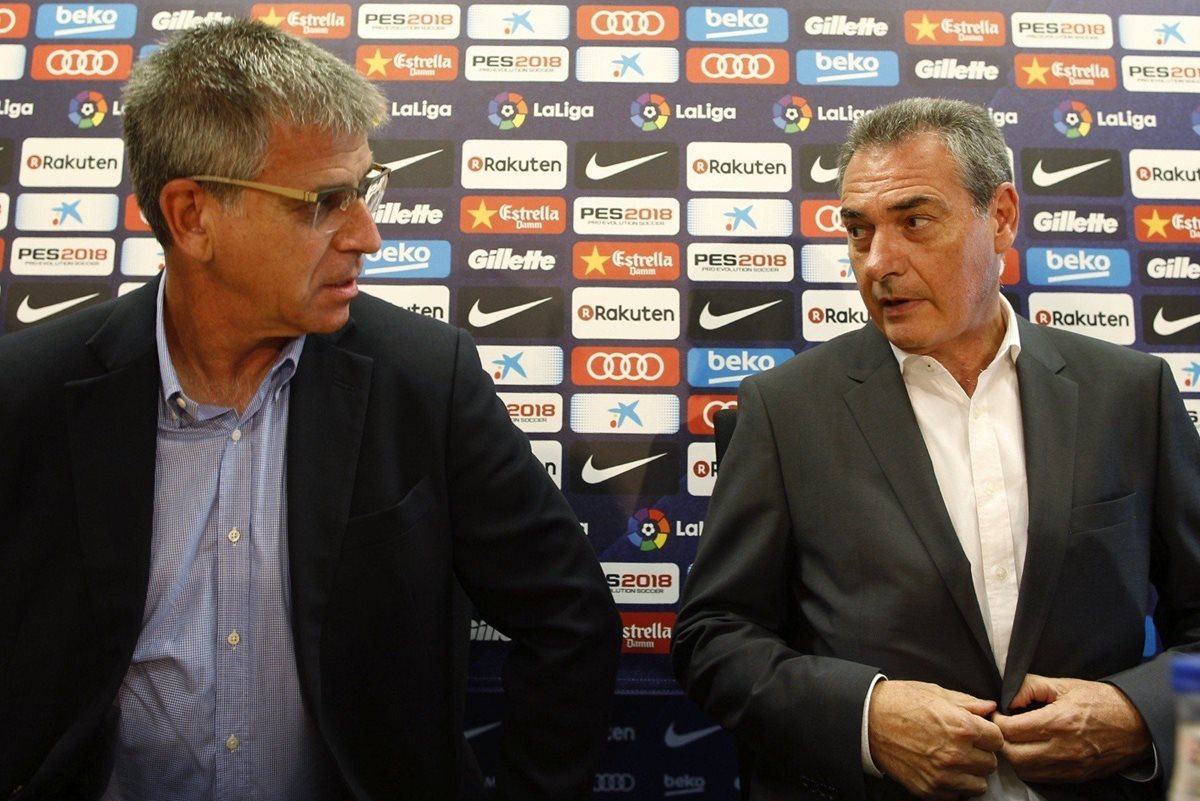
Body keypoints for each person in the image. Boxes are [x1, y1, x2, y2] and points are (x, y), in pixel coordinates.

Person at [0, 19, 619, 801]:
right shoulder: (26, 394)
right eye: (323, 202)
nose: (367, 235)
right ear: (193, 217)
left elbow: (569, 621)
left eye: (364, 190)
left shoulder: (426, 381)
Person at [672, 97, 1200, 800]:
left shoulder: (1130, 394)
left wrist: (1140, 713)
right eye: (859, 233)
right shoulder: (783, 410)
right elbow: (714, 637)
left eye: (914, 222)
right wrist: (867, 715)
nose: (879, 263)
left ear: (1002, 215)